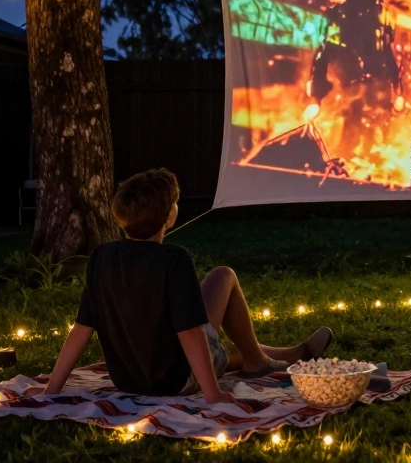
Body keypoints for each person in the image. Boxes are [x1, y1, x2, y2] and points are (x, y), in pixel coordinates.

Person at [41, 169, 333, 403]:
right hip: (175, 381)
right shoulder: (173, 259)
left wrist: (52, 388)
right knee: (223, 276)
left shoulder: (100, 257)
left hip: (128, 378)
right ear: (169, 215)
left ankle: (288, 353)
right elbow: (191, 333)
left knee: (226, 347)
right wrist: (213, 394)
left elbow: (81, 329)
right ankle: (263, 361)